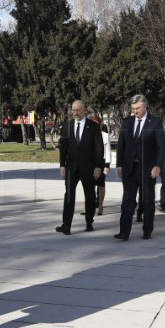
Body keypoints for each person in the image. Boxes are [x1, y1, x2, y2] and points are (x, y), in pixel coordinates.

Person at [114, 94, 164, 241]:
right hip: (129, 168)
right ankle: (124, 232)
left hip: (148, 168)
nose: (135, 111)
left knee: (148, 200)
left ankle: (147, 230)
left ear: (145, 106)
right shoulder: (127, 122)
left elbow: (161, 147)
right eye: (133, 108)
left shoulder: (155, 122)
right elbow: (121, 145)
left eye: (137, 108)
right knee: (127, 200)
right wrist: (119, 164)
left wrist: (158, 166)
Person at [56, 100, 104, 235]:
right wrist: (62, 166)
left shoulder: (93, 127)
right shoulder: (67, 126)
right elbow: (63, 147)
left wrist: (98, 167)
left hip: (89, 168)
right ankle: (66, 225)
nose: (75, 113)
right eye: (73, 110)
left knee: (89, 196)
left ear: (85, 111)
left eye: (78, 110)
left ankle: (89, 221)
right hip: (71, 168)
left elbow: (99, 148)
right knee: (69, 196)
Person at [91, 114, 111, 216]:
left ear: (100, 124)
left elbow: (107, 151)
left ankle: (100, 206)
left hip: (102, 162)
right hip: (90, 163)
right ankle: (90, 206)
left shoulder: (105, 135)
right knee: (90, 185)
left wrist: (107, 165)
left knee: (100, 185)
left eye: (96, 123)